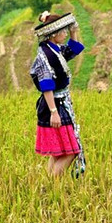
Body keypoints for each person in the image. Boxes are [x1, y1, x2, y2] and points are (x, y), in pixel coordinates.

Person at [29, 11, 86, 177]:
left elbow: (72, 50)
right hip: (54, 106)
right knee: (71, 151)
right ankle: (54, 186)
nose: (65, 33)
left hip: (59, 104)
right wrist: (54, 112)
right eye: (63, 31)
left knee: (59, 152)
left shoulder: (54, 50)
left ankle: (49, 186)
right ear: (53, 34)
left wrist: (74, 31)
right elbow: (46, 85)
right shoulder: (45, 55)